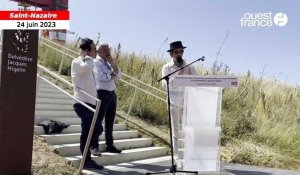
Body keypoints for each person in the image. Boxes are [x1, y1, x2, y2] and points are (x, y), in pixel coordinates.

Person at [71, 38, 103, 170]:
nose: (96, 51)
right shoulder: (77, 62)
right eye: (94, 49)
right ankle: (86, 159)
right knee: (92, 130)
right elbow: (89, 65)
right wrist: (85, 54)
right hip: (81, 103)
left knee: (92, 130)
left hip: (91, 102)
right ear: (86, 50)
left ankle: (86, 157)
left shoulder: (87, 61)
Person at [161, 41, 197, 158]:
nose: (179, 54)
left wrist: (190, 77)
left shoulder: (189, 66)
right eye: (176, 52)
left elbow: (197, 81)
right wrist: (177, 76)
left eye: (181, 51)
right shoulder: (166, 67)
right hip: (174, 100)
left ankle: (190, 152)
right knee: (175, 129)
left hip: (188, 100)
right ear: (171, 54)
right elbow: (164, 85)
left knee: (189, 128)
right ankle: (176, 154)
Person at [93, 43, 122, 153]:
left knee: (110, 121)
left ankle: (109, 145)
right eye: (104, 50)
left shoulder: (109, 63)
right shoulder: (95, 62)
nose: (107, 52)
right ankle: (93, 146)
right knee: (98, 120)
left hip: (111, 94)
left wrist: (113, 64)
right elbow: (101, 77)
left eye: (108, 49)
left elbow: (119, 75)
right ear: (98, 51)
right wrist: (112, 76)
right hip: (101, 93)